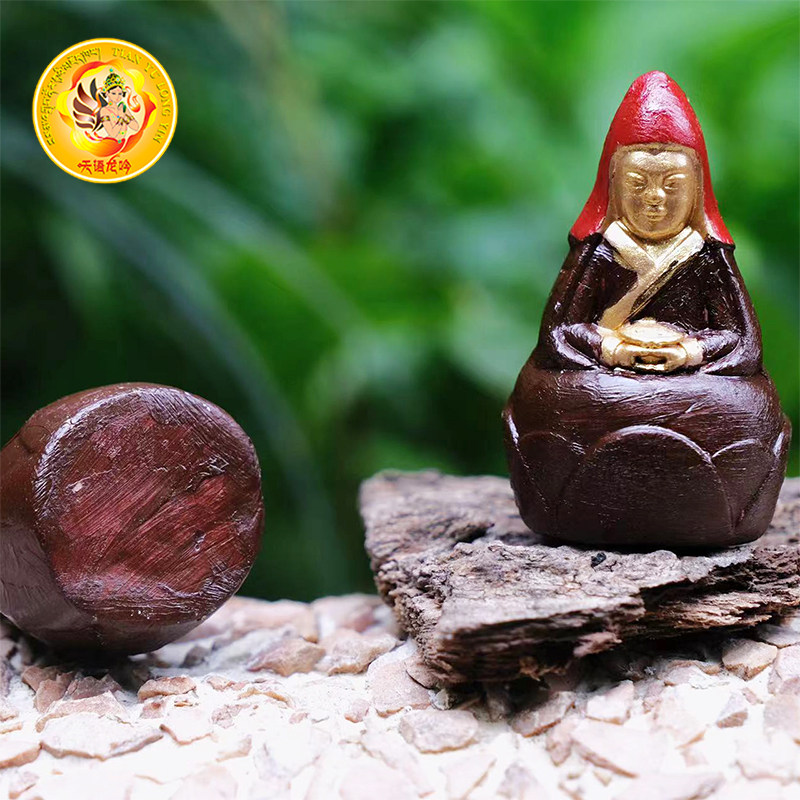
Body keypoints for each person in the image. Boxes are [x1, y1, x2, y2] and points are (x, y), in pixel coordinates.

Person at [503, 71, 790, 548]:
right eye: (638, 184)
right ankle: (576, 501)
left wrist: (689, 352)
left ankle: (717, 509)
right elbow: (558, 335)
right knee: (550, 396)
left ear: (696, 190)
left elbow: (743, 342)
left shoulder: (706, 256)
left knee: (745, 405)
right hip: (605, 374)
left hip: (694, 377)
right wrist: (612, 348)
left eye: (672, 185)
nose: (655, 199)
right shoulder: (599, 253)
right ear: (614, 187)